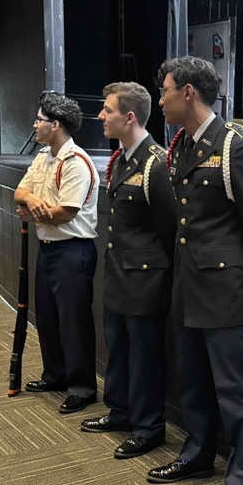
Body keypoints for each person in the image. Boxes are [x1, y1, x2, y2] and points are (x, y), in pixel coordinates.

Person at [147, 56, 243, 485]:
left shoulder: (237, 145)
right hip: (189, 284)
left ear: (187, 93)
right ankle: (199, 452)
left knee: (235, 390)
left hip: (224, 287)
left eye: (163, 91)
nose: (158, 100)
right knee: (193, 378)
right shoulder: (181, 145)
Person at [79, 82, 177, 459]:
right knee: (118, 348)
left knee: (145, 357)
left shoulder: (156, 163)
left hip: (146, 279)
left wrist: (157, 277)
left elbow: (170, 229)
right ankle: (120, 411)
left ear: (130, 116)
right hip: (120, 274)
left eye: (107, 110)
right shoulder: (121, 158)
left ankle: (149, 427)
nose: (101, 116)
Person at [14, 92, 100, 414]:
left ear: (56, 125)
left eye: (39, 120)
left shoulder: (76, 162)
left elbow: (65, 212)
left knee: (73, 321)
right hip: (48, 248)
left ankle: (82, 388)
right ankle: (55, 374)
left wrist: (31, 209)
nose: (34, 125)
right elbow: (19, 192)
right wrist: (30, 201)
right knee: (48, 316)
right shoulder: (44, 157)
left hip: (73, 251)